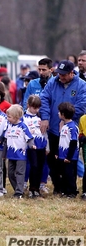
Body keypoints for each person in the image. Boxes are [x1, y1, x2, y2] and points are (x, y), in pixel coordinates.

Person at [40, 60, 86, 195]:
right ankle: (57, 187)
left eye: (64, 74)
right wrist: (45, 118)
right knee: (53, 160)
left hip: (71, 130)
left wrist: (66, 118)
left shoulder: (82, 85)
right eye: (59, 74)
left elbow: (82, 105)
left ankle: (70, 189)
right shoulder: (53, 82)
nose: (61, 77)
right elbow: (44, 99)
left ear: (72, 73)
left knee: (70, 161)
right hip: (54, 128)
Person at [5, 104, 34, 199]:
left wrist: (32, 145)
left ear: (16, 117)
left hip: (21, 155)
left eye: (9, 116)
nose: (7, 118)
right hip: (11, 155)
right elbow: (5, 139)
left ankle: (19, 192)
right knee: (10, 173)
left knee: (20, 173)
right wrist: (3, 153)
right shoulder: (9, 126)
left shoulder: (23, 126)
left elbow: (29, 138)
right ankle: (18, 189)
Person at [22, 95, 49, 198]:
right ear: (28, 105)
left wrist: (47, 146)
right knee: (33, 166)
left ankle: (36, 188)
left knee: (40, 166)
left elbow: (44, 132)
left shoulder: (40, 118)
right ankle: (31, 188)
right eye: (34, 108)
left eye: (38, 108)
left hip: (41, 145)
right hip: (31, 146)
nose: (36, 110)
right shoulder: (24, 118)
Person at [57, 102, 79, 198]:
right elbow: (62, 141)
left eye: (59, 112)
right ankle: (65, 191)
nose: (58, 113)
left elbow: (73, 142)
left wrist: (69, 157)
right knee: (64, 174)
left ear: (63, 114)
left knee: (70, 175)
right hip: (63, 156)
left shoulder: (72, 127)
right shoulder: (64, 126)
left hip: (70, 157)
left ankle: (72, 192)